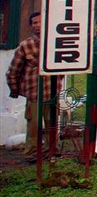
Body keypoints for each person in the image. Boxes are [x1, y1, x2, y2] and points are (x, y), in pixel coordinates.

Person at [5, 12, 63, 157]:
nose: (37, 25)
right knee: (34, 125)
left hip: (52, 93)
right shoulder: (25, 45)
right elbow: (14, 70)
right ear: (31, 26)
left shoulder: (56, 43)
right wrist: (14, 89)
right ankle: (31, 153)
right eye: (34, 23)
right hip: (34, 93)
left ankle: (52, 150)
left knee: (52, 124)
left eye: (40, 22)